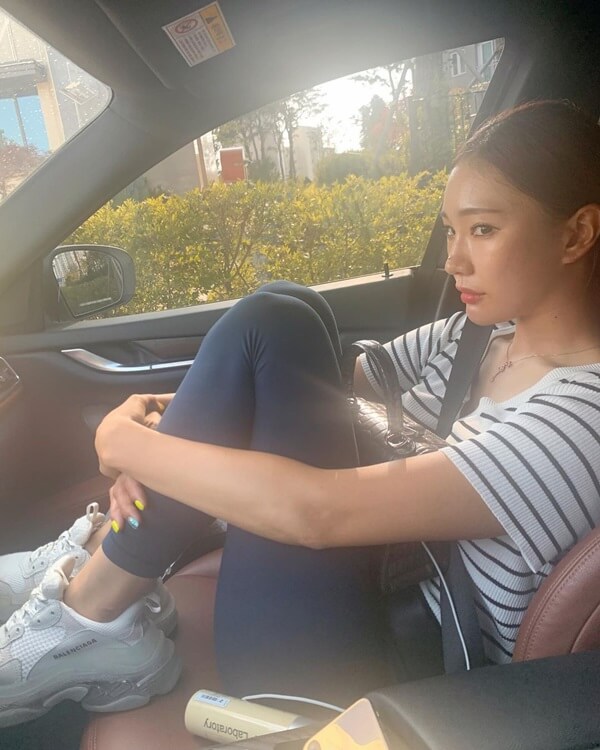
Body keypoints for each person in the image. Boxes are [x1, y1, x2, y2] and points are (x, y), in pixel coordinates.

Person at [1, 99, 599, 727]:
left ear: (576, 234)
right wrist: (164, 431)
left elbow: (316, 512)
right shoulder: (473, 336)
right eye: (450, 230)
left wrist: (126, 445)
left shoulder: (580, 421)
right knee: (288, 310)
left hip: (383, 668)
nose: (454, 260)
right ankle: (101, 565)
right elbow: (292, 390)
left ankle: (89, 614)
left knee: (276, 318)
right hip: (361, 575)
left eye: (482, 230)